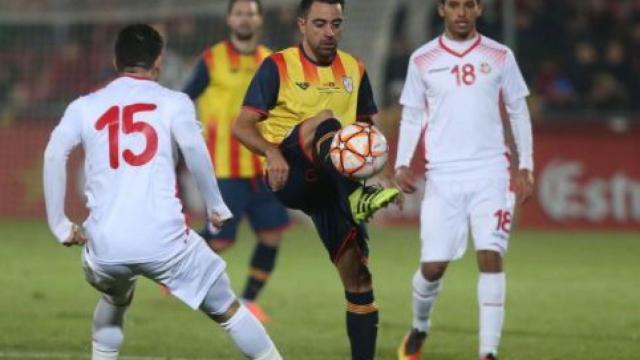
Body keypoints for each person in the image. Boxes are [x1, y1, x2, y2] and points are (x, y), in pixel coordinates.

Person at [43, 24, 282, 360]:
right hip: (166, 243)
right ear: (159, 62)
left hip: (106, 247)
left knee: (115, 297)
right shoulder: (174, 102)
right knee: (229, 310)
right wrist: (214, 203)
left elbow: (54, 154)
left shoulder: (84, 106)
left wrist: (59, 224)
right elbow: (193, 147)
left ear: (116, 60)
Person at [232, 1, 400, 358]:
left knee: (359, 279)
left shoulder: (355, 68)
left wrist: (380, 171)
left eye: (336, 24)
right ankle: (358, 196)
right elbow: (242, 126)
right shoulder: (277, 65)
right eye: (320, 24)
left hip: (330, 186)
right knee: (324, 120)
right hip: (291, 171)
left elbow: (366, 131)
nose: (329, 32)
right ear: (302, 24)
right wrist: (272, 153)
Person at [393, 1, 534, 359]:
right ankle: (420, 326)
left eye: (468, 4)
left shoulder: (500, 55)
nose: (461, 12)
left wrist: (526, 166)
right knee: (433, 267)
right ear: (442, 10)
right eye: (453, 4)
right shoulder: (422, 59)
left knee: (490, 256)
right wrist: (401, 164)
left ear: (479, 9)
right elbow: (412, 115)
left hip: (492, 173)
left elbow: (518, 109)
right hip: (443, 176)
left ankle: (488, 352)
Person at [182, 0, 291, 323]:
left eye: (251, 13)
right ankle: (175, 261)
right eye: (240, 12)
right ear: (230, 19)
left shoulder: (271, 61)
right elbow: (185, 98)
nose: (245, 18)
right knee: (222, 239)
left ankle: (248, 300)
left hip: (263, 164)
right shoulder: (212, 59)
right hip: (224, 167)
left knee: (272, 233)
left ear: (259, 20)